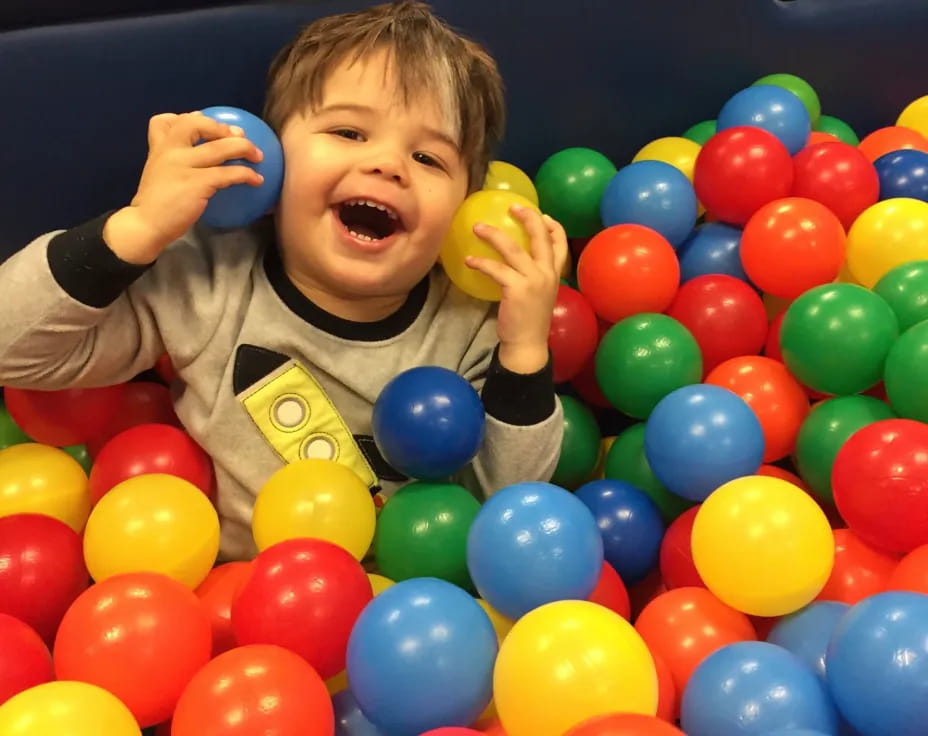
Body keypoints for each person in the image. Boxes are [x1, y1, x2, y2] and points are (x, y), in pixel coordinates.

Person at [0, 0, 567, 561]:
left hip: (411, 608)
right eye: (348, 131)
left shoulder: (470, 324)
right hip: (236, 614)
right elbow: (14, 350)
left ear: (464, 213)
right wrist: (136, 228)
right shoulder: (207, 280)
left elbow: (510, 516)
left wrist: (523, 350)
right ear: (267, 167)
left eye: (428, 158)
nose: (389, 164)